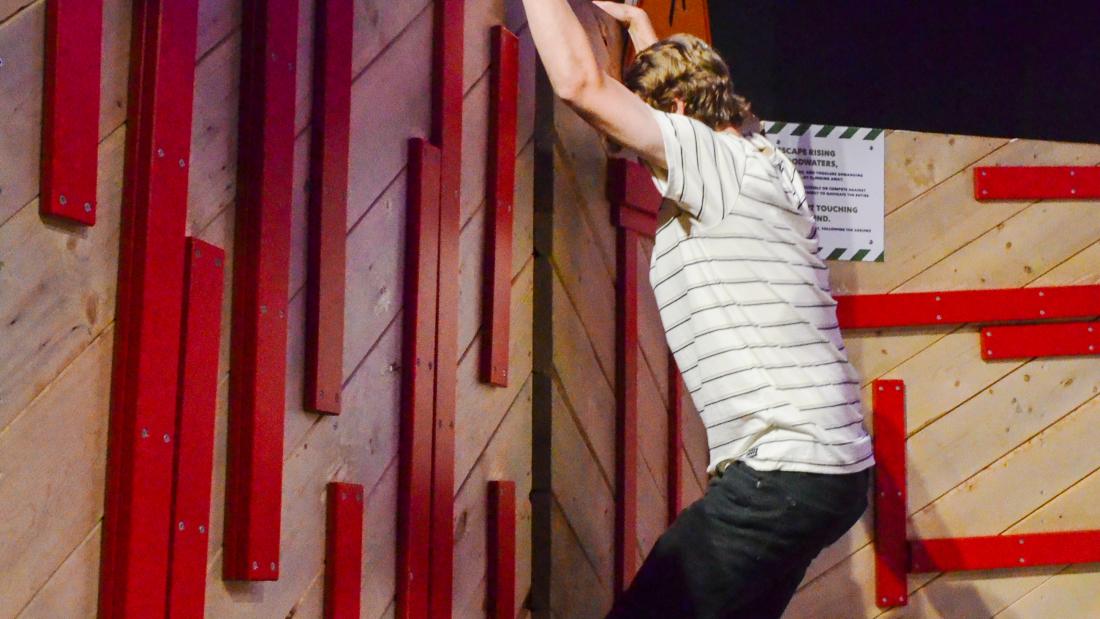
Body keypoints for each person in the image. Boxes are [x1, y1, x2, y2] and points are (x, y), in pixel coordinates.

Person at [519, 1, 875, 617]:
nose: (638, 153)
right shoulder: (762, 158)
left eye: (644, 133)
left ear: (678, 115)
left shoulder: (718, 165)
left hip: (783, 468)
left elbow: (579, 84)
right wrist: (640, 29)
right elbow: (686, 90)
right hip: (829, 470)